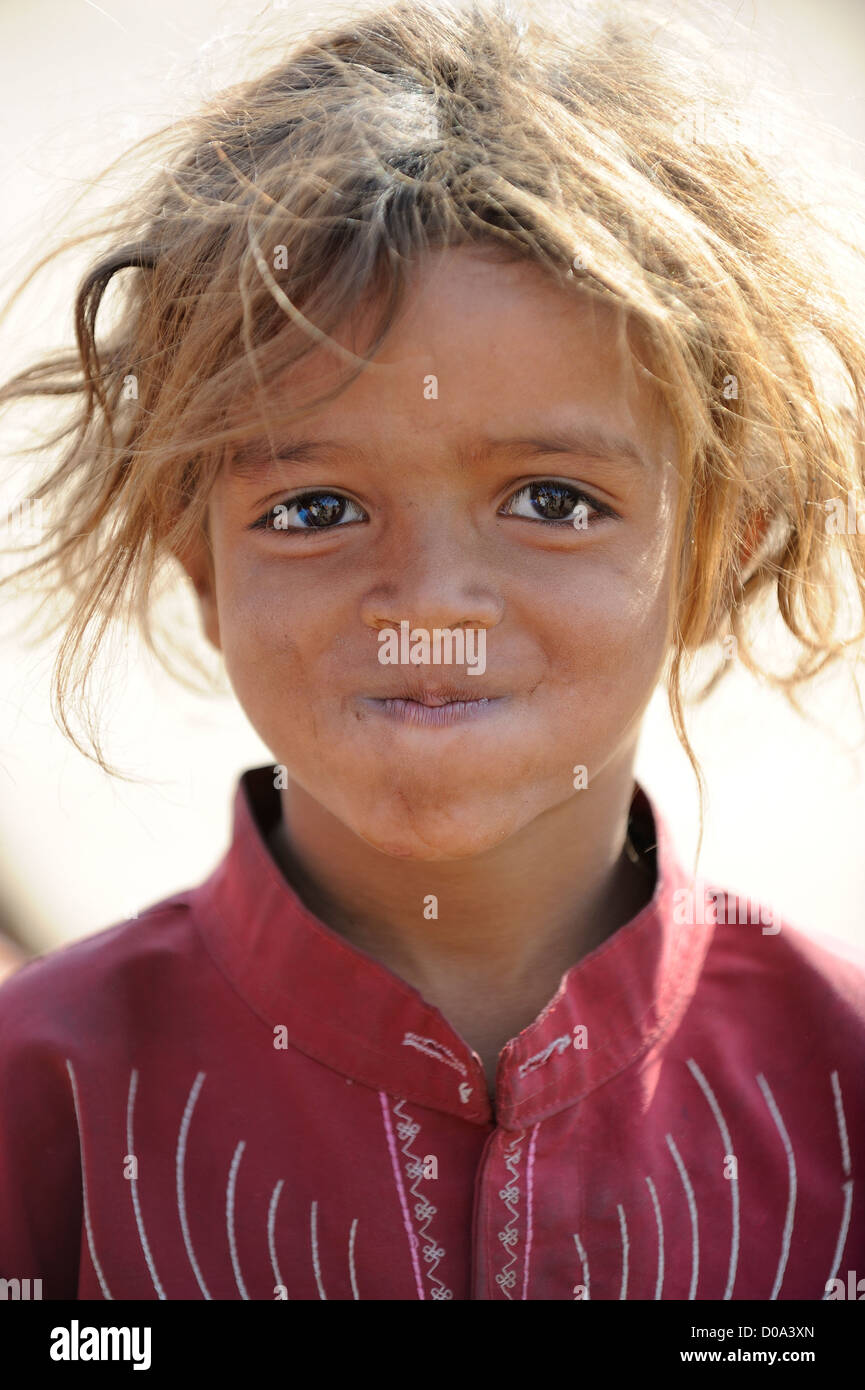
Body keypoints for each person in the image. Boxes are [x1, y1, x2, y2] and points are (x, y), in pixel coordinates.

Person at [0, 0, 863, 1301]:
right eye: (315, 510)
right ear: (198, 558)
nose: (430, 602)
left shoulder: (841, 1095)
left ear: (717, 550)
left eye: (553, 501)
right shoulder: (38, 1105)